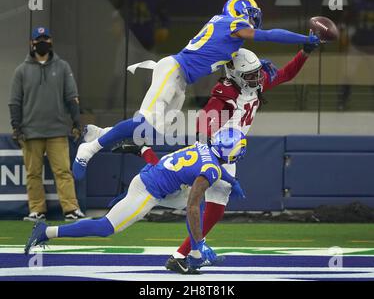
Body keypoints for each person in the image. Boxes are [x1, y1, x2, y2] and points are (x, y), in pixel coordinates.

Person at [88, 42, 318, 273]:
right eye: (250, 74)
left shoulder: (252, 85)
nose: (258, 78)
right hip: (216, 151)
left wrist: (305, 52)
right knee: (185, 199)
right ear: (235, 75)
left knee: (205, 205)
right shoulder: (227, 92)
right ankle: (187, 251)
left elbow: (286, 74)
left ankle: (185, 252)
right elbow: (204, 118)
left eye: (256, 73)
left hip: (228, 154)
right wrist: (209, 146)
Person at [72, 0, 322, 180]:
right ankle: (89, 148)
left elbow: (263, 67)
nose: (254, 24)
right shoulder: (231, 24)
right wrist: (303, 39)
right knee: (143, 124)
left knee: (149, 131)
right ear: (245, 12)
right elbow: (267, 36)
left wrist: (292, 56)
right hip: (173, 70)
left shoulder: (230, 36)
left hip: (181, 81)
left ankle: (100, 133)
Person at [25, 128, 247, 273]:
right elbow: (193, 206)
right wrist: (199, 242)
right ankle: (45, 231)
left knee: (187, 202)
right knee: (105, 228)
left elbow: (212, 167)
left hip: (156, 179)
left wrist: (231, 180)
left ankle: (186, 258)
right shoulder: (211, 170)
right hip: (148, 191)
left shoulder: (203, 147)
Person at [8, 27, 86, 221]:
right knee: (33, 173)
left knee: (63, 171)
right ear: (31, 43)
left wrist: (76, 122)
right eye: (38, 39)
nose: (42, 42)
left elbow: (71, 98)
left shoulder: (62, 67)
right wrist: (16, 127)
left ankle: (71, 209)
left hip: (57, 130)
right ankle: (37, 210)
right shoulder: (21, 71)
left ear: (51, 41)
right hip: (30, 131)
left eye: (45, 38)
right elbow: (15, 102)